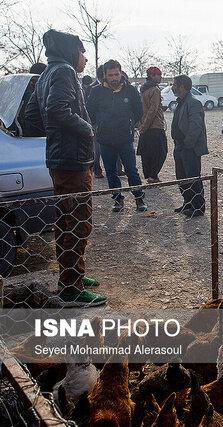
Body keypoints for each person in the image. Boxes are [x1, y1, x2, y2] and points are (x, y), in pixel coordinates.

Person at [24, 29, 106, 307]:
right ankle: (71, 288)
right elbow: (58, 110)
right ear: (73, 52)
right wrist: (87, 130)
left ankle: (73, 275)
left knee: (65, 219)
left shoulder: (46, 73)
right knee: (78, 222)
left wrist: (56, 136)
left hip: (59, 159)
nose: (85, 58)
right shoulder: (65, 72)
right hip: (73, 161)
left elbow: (33, 115)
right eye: (83, 52)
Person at [86, 59, 147, 213]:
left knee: (131, 170)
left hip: (125, 138)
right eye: (111, 75)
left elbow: (139, 110)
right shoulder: (96, 91)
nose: (114, 78)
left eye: (116, 74)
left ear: (121, 73)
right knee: (110, 171)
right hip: (105, 139)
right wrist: (98, 125)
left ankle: (139, 198)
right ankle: (117, 199)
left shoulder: (130, 90)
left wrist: (130, 123)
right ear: (104, 75)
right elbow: (90, 112)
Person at [171, 75, 208, 217]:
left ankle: (198, 207)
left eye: (175, 85)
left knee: (192, 178)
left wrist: (188, 145)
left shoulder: (193, 103)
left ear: (182, 86)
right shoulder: (182, 101)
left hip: (189, 148)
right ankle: (188, 203)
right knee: (181, 178)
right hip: (180, 146)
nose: (173, 87)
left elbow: (196, 127)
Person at [137, 66, 167, 183]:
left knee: (148, 152)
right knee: (161, 151)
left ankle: (150, 174)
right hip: (155, 126)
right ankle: (153, 175)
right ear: (152, 76)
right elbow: (153, 110)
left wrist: (141, 125)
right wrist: (144, 126)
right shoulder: (155, 90)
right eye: (158, 75)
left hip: (146, 125)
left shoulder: (143, 89)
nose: (160, 77)